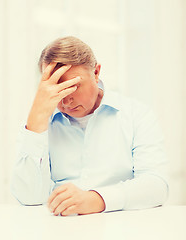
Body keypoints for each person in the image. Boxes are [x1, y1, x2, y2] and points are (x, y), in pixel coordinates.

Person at [11, 36, 168, 216]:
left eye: (74, 86)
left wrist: (96, 199)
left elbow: (157, 186)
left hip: (121, 227)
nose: (66, 99)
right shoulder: (38, 124)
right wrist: (36, 121)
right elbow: (28, 198)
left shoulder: (136, 115)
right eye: (57, 88)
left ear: (96, 73)